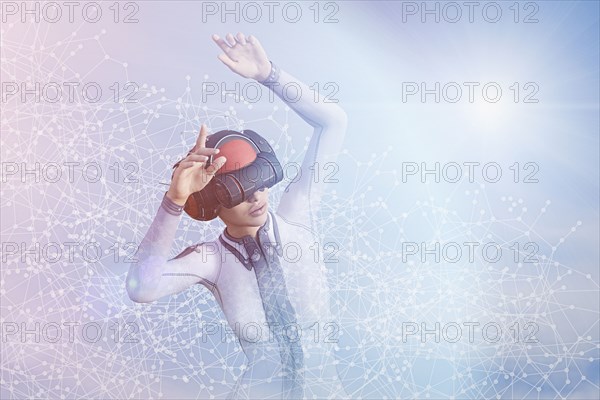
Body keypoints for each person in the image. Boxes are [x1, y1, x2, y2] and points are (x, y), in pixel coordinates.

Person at [125, 32, 349, 399]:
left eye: (260, 182)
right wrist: (175, 199)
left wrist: (270, 75)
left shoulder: (298, 215)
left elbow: (334, 123)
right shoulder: (211, 260)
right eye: (238, 192)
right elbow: (141, 287)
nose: (256, 197)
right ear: (213, 203)